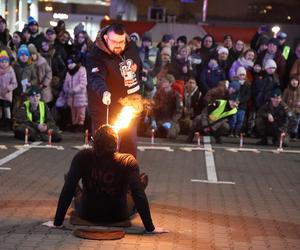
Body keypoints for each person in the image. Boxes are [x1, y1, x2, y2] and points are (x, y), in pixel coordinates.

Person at [43, 124, 168, 234]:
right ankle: (139, 181)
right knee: (133, 191)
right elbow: (139, 195)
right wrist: (150, 228)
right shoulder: (127, 160)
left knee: (73, 186)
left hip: (87, 212)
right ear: (116, 142)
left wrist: (57, 222)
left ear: (94, 142)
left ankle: (77, 190)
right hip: (118, 214)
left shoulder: (82, 156)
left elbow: (67, 190)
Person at [86, 23, 142, 157]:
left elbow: (139, 68)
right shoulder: (96, 55)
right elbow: (96, 78)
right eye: (114, 42)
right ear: (106, 38)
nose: (118, 45)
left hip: (130, 106)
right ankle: (103, 174)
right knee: (106, 146)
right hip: (105, 107)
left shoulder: (131, 47)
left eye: (121, 41)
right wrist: (104, 91)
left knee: (129, 143)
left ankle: (128, 173)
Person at [0, 50, 17, 130]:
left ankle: (7, 125)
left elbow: (14, 83)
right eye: (2, 61)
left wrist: (8, 88)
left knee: (7, 110)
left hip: (7, 94)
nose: (4, 63)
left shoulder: (11, 71)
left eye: (5, 61)